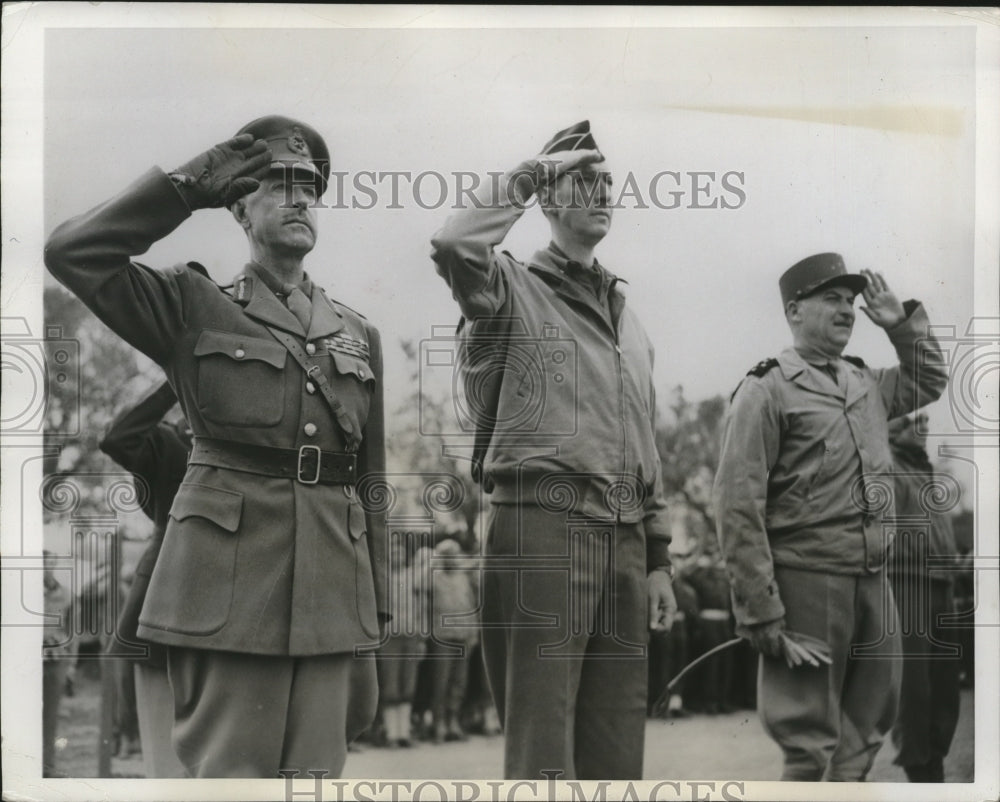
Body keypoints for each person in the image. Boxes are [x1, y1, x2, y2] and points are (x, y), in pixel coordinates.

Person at [45, 116, 387, 778]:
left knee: (316, 781)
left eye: (311, 189)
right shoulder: (190, 302)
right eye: (280, 185)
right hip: (227, 589)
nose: (300, 200)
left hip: (331, 596)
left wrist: (375, 612)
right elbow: (73, 253)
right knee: (230, 781)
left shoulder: (355, 333)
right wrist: (186, 186)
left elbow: (370, 479)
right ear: (237, 203)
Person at [430, 120, 677, 780]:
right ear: (546, 198)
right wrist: (536, 167)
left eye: (606, 182)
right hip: (543, 526)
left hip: (625, 539)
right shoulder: (510, 287)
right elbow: (456, 242)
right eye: (582, 180)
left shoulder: (630, 316)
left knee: (617, 754)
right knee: (542, 753)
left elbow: (644, 444)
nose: (600, 192)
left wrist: (657, 555)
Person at [713, 252, 948, 781]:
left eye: (850, 301)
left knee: (864, 736)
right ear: (794, 312)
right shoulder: (766, 388)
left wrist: (900, 326)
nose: (846, 311)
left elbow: (930, 378)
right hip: (806, 581)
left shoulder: (865, 384)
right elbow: (736, 502)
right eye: (831, 299)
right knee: (808, 742)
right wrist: (761, 610)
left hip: (872, 581)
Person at [99, 380, 191, 777]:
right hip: (165, 591)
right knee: (166, 760)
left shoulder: (253, 436)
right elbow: (119, 438)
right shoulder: (170, 441)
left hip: (239, 602)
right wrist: (175, 379)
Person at [886, 412, 962, 782]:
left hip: (941, 582)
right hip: (907, 582)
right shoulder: (885, 466)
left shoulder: (927, 472)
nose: (925, 422)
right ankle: (919, 767)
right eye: (915, 418)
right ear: (893, 429)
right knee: (913, 687)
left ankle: (934, 757)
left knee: (945, 683)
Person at [427, 538, 479, 743]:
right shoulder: (433, 577)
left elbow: (471, 606)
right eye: (447, 555)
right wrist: (431, 562)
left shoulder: (464, 578)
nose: (452, 558)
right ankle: (438, 723)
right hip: (442, 637)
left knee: (459, 682)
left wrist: (473, 634)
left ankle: (453, 721)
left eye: (454, 554)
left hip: (463, 635)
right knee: (441, 681)